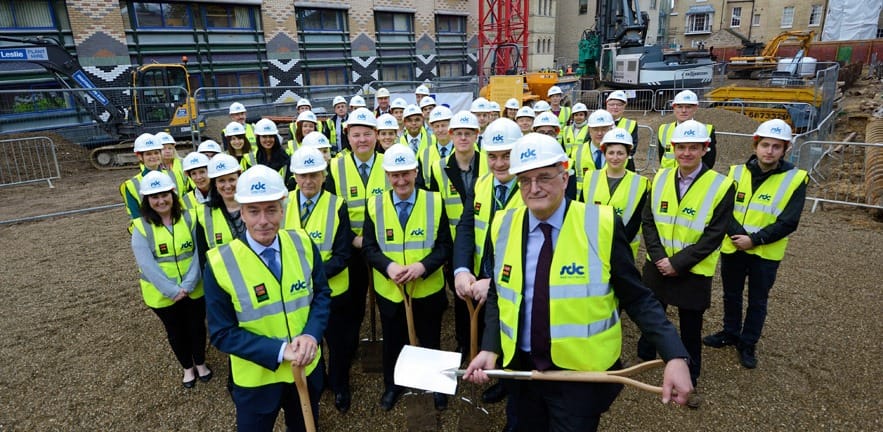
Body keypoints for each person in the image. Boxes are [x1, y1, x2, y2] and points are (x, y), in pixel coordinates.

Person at [463, 133, 693, 432]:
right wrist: (490, 347)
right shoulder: (503, 224)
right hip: (522, 370)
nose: (534, 188)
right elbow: (499, 294)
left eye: (544, 177)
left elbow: (637, 298)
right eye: (525, 180)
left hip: (581, 377)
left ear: (565, 175)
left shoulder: (601, 224)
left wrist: (674, 354)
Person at [204, 165, 331, 432]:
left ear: (283, 210)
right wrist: (279, 351)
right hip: (257, 380)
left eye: (271, 209)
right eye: (254, 211)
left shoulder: (303, 243)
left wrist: (311, 335)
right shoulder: (220, 263)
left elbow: (321, 295)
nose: (264, 220)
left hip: (306, 369)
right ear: (241, 212)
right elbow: (222, 333)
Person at [639, 120, 735, 409]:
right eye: (681, 147)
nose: (687, 153)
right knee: (653, 314)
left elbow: (715, 234)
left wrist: (678, 263)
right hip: (657, 265)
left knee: (690, 326)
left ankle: (689, 373)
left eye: (694, 147)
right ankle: (647, 357)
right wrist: (659, 258)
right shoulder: (659, 178)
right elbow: (649, 221)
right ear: (673, 149)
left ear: (705, 149)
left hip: (692, 270)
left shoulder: (721, 185)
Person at [703, 119, 807, 369]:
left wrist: (755, 240)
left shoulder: (796, 178)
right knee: (731, 294)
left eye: (776, 146)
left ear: (786, 149)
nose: (769, 151)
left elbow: (789, 221)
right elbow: (723, 208)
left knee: (758, 301)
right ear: (756, 145)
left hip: (765, 253)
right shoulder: (736, 172)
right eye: (765, 145)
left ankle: (748, 342)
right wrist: (738, 235)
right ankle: (730, 332)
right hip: (734, 246)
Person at [361, 144, 453, 412]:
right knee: (393, 340)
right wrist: (388, 267)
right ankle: (393, 385)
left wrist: (422, 267)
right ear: (387, 176)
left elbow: (445, 246)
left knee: (431, 338)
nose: (401, 180)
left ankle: (436, 384)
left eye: (406, 173)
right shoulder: (374, 205)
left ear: (415, 171)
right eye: (394, 175)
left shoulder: (434, 201)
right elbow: (369, 248)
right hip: (390, 290)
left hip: (426, 288)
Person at [453, 118, 523, 431]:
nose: (499, 163)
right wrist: (462, 269)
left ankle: (514, 392)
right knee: (490, 334)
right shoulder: (482, 184)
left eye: (506, 155)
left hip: (517, 286)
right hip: (481, 277)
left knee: (518, 341)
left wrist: (492, 283)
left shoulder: (531, 188)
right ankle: (497, 377)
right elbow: (467, 227)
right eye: (493, 156)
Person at [285, 146, 355, 412]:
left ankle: (340, 385)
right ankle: (320, 379)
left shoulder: (337, 205)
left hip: (333, 292)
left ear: (324, 175)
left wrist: (312, 277)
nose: (308, 181)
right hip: (298, 296)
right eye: (302, 175)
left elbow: (343, 254)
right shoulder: (284, 203)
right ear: (294, 177)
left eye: (314, 174)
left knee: (338, 343)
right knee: (309, 340)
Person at [130, 171, 211, 388]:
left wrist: (188, 285)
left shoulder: (190, 217)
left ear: (173, 195)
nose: (161, 200)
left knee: (196, 327)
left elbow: (198, 252)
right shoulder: (140, 227)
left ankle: (201, 362)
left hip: (194, 288)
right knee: (175, 330)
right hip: (162, 295)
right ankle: (187, 367)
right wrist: (172, 290)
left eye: (165, 194)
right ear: (146, 200)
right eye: (154, 197)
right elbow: (146, 264)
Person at [326, 107, 390, 376]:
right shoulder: (335, 166)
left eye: (367, 134)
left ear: (376, 135)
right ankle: (349, 347)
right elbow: (330, 211)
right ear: (347, 136)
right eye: (356, 135)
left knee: (388, 302)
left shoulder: (390, 163)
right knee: (352, 305)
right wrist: (352, 239)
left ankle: (392, 348)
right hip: (349, 247)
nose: (361, 140)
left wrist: (372, 242)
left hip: (384, 246)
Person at [580, 128, 649, 260]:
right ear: (604, 153)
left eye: (620, 153)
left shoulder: (641, 184)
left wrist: (613, 247)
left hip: (623, 251)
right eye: (611, 153)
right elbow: (582, 212)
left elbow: (634, 223)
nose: (615, 158)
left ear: (628, 154)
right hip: (592, 248)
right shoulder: (590, 178)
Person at [121, 133, 178, 221]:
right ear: (140, 156)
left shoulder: (171, 175)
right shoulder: (131, 185)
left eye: (156, 153)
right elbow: (136, 216)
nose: (154, 156)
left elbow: (177, 204)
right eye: (148, 154)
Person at [196, 154, 246, 252]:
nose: (227, 186)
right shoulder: (204, 213)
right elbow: (203, 254)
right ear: (215, 183)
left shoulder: (254, 204)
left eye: (232, 179)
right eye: (221, 181)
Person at [657, 90, 717, 169]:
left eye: (688, 107)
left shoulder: (706, 130)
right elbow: (662, 155)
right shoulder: (664, 129)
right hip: (668, 178)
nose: (683, 110)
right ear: (674, 108)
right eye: (680, 107)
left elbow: (709, 161)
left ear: (695, 108)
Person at [572, 110, 614, 199]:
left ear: (611, 129)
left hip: (608, 205)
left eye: (604, 129)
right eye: (595, 129)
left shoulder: (621, 155)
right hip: (583, 205)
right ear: (589, 130)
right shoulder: (576, 152)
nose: (600, 133)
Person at [418, 106, 454, 187]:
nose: (440, 130)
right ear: (432, 128)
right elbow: (420, 185)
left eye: (443, 125)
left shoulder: (462, 151)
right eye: (436, 126)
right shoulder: (424, 155)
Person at [605, 91, 640, 171]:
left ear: (624, 106)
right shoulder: (598, 122)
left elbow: (632, 147)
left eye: (619, 105)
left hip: (625, 165)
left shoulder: (631, 124)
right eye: (612, 104)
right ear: (606, 104)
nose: (615, 107)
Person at [253, 118, 292, 184]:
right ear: (258, 138)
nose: (268, 140)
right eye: (264, 136)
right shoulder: (252, 158)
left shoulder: (285, 157)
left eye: (271, 136)